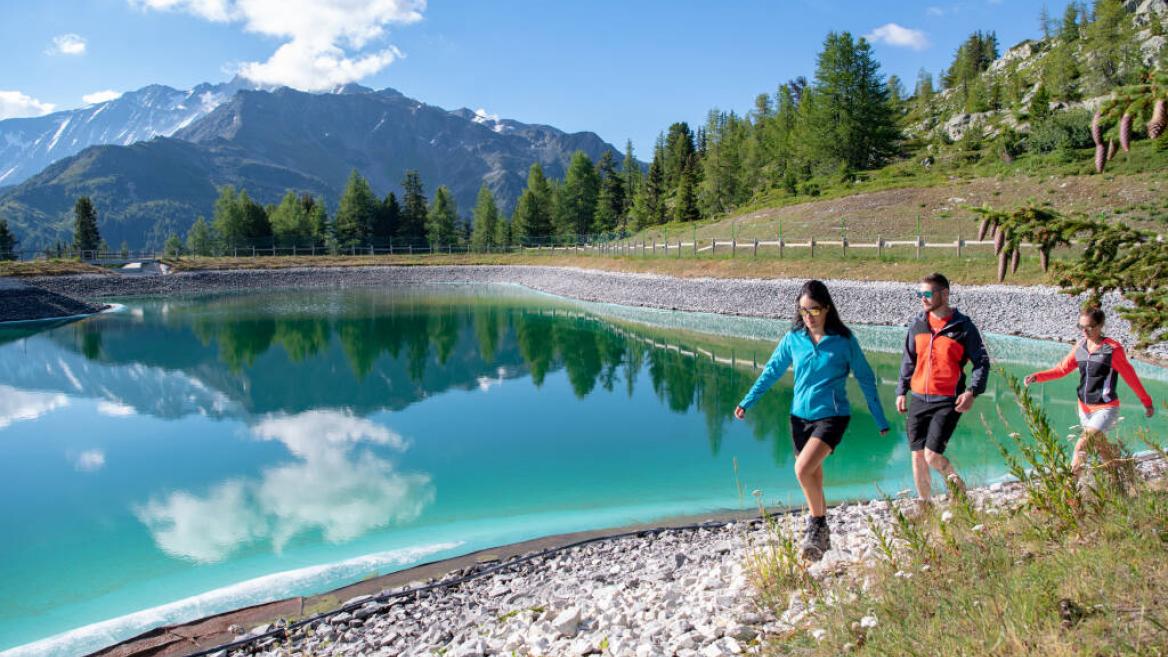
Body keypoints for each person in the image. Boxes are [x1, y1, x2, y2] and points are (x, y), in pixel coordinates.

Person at [734, 280, 890, 561]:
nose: (808, 316)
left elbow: (866, 378)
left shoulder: (843, 341)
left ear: (827, 308)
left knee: (802, 469)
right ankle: (821, 534)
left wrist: (879, 418)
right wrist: (748, 401)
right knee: (813, 475)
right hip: (799, 418)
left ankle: (816, 525)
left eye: (814, 310)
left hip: (832, 416)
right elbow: (771, 371)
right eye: (803, 310)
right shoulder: (793, 338)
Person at [1023, 306, 1155, 479]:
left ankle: (1072, 494)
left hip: (1106, 408)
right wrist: (1037, 376)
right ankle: (1120, 480)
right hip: (1084, 408)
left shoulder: (1112, 349)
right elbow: (1062, 369)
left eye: (1089, 327)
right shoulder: (1081, 346)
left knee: (1080, 447)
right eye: (1081, 327)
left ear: (1100, 325)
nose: (1084, 331)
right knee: (1102, 448)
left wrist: (1146, 402)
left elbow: (1130, 377)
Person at [896, 272, 990, 511]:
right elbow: (909, 360)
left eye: (927, 293)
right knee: (917, 455)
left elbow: (981, 362)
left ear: (944, 294)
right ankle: (925, 505)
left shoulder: (963, 327)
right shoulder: (917, 324)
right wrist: (901, 391)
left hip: (948, 400)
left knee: (932, 455)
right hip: (918, 397)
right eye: (920, 294)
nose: (922, 298)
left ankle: (959, 491)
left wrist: (972, 392)